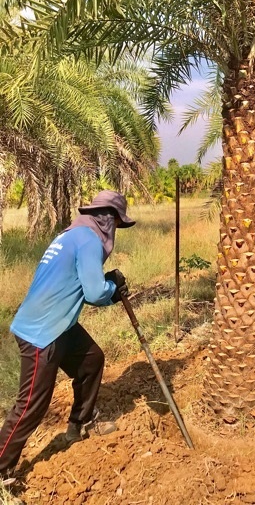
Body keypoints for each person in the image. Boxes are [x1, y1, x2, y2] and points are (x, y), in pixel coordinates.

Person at [0, 190, 134, 489]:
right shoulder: (88, 240)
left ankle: (81, 422)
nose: (113, 228)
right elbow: (94, 292)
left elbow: (79, 283)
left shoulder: (70, 235)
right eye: (114, 221)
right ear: (107, 218)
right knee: (31, 406)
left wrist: (106, 283)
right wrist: (112, 285)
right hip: (42, 332)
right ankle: (1, 470)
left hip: (60, 325)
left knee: (91, 360)